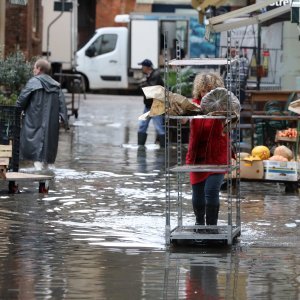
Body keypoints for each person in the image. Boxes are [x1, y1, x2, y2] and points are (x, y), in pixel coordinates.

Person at [186, 73, 232, 228]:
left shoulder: (223, 105)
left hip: (217, 155)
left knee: (211, 191)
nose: (206, 94)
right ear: (199, 91)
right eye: (204, 91)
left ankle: (211, 227)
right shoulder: (194, 106)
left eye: (211, 91)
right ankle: (199, 224)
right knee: (197, 193)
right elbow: (184, 117)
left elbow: (233, 117)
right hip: (197, 156)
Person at [16, 58, 68, 170]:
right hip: (51, 123)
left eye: (34, 67)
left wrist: (17, 111)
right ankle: (50, 171)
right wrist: (65, 121)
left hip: (34, 120)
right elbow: (62, 106)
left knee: (35, 151)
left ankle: (38, 171)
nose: (33, 70)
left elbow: (21, 101)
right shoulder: (56, 86)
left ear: (39, 69)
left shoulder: (33, 82)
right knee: (49, 150)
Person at [137, 59, 165, 148]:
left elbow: (152, 89)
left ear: (147, 67)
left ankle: (163, 149)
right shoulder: (148, 75)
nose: (142, 68)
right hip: (148, 106)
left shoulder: (155, 75)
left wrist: (143, 84)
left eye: (143, 66)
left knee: (159, 128)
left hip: (155, 106)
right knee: (142, 126)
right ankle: (140, 146)